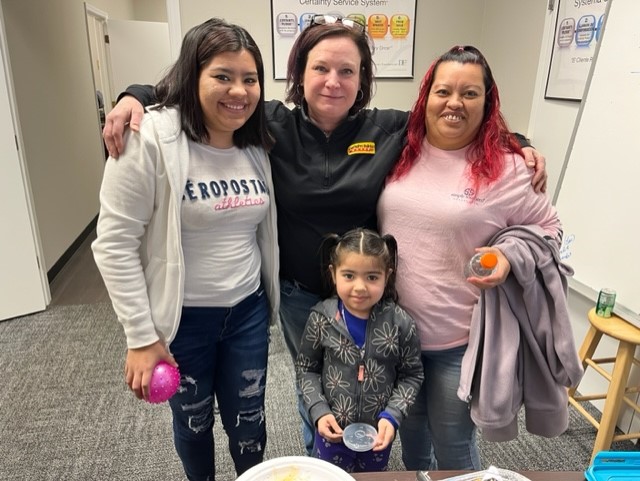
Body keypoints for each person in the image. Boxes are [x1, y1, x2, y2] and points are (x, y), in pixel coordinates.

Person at [101, 15, 549, 457]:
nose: (333, 81)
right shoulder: (268, 122)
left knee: (372, 389)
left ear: (362, 80)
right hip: (299, 296)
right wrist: (133, 95)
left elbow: (454, 117)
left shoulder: (389, 129)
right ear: (299, 74)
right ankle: (320, 461)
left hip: (367, 295)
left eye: (347, 71)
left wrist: (520, 144)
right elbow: (197, 90)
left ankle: (366, 457)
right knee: (314, 389)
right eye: (321, 68)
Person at [91, 18, 279, 481]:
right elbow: (114, 244)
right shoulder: (149, 137)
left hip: (247, 312)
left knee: (249, 423)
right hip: (183, 319)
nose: (239, 91)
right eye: (222, 76)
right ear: (192, 76)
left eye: (250, 79)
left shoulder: (255, 141)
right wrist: (140, 336)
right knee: (194, 424)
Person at [377, 45, 565, 471]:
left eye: (470, 93)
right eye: (444, 91)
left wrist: (508, 255)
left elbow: (550, 230)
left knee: (454, 451)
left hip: (456, 341)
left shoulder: (510, 169)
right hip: (396, 335)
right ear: (427, 96)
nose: (454, 103)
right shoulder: (400, 150)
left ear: (488, 101)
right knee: (412, 441)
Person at [296, 227, 424, 472]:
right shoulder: (321, 319)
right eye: (349, 275)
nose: (360, 287)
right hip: (332, 430)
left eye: (372, 277)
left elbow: (412, 375)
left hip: (377, 434)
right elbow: (306, 369)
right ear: (333, 274)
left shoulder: (400, 323)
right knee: (330, 476)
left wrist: (393, 414)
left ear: (387, 275)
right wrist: (319, 410)